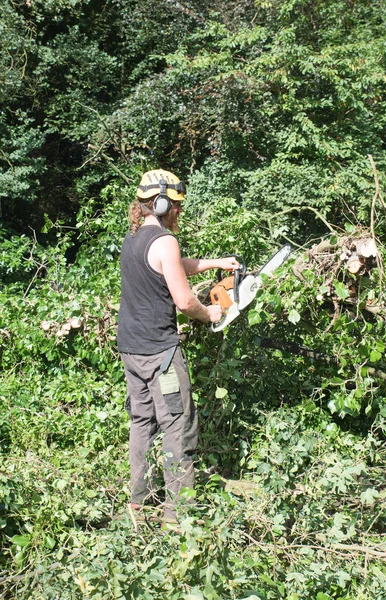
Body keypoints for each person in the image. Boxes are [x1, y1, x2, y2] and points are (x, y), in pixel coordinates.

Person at [117, 169, 239, 525]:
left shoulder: (135, 236)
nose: (179, 213)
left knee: (142, 422)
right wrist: (210, 313)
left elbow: (170, 268)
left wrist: (214, 263)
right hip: (161, 355)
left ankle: (138, 502)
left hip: (132, 349)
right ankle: (178, 516)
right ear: (161, 203)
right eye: (177, 206)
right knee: (177, 425)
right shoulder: (165, 241)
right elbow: (185, 301)